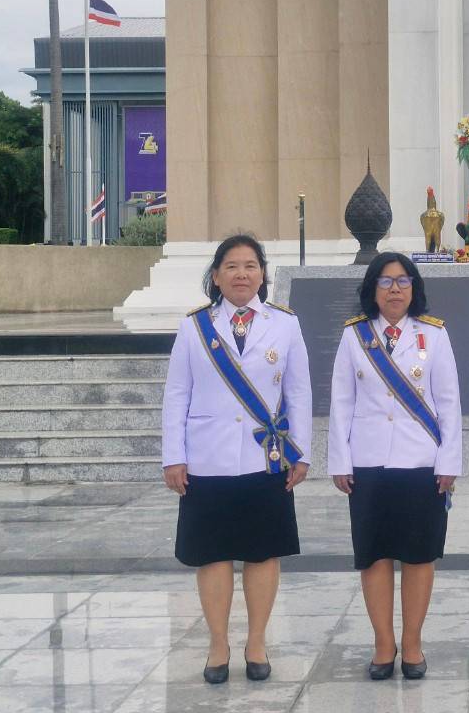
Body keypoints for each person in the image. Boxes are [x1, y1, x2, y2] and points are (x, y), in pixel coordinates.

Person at [161, 234, 312, 684]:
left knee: (263, 554)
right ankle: (218, 643)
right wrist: (174, 455)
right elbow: (177, 394)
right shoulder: (195, 327)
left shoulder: (285, 325)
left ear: (263, 274)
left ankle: (258, 641)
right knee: (213, 555)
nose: (242, 274)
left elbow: (299, 391)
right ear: (216, 275)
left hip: (265, 459)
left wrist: (299, 451)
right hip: (207, 459)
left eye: (250, 265)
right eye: (232, 266)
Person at [328, 253, 462, 681]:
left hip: (420, 463)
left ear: (414, 288)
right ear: (372, 289)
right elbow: (341, 403)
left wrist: (449, 462)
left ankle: (413, 643)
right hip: (368, 463)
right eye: (385, 282)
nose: (395, 290)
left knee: (420, 556)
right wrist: (339, 460)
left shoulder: (434, 335)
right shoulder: (355, 337)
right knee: (375, 556)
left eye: (403, 281)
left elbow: (449, 405)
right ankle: (383, 643)